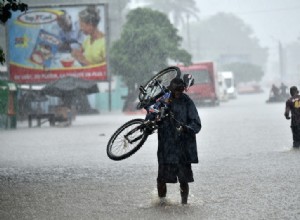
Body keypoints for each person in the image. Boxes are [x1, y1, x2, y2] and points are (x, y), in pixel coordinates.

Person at [156, 77, 202, 205]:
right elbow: (152, 114)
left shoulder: (187, 102)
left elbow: (197, 124)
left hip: (183, 149)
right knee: (161, 179)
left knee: (183, 180)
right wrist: (154, 119)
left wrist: (186, 129)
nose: (178, 93)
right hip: (166, 148)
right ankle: (161, 203)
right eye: (176, 90)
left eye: (181, 90)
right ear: (171, 89)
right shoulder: (163, 100)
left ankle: (184, 205)